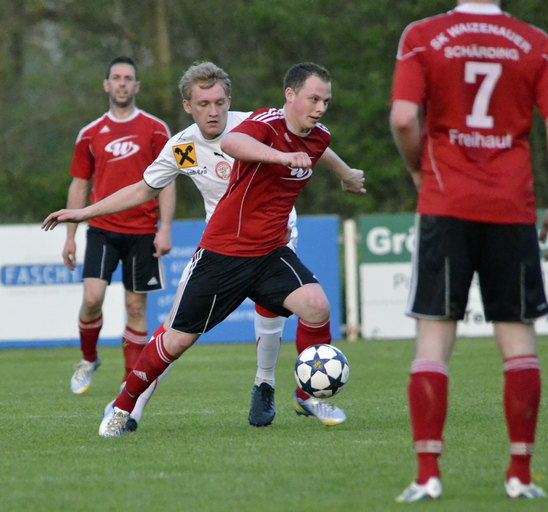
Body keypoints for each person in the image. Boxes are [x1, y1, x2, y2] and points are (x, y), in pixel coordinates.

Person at [43, 62, 365, 435]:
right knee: (176, 338)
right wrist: (83, 213)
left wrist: (346, 175)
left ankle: (295, 391)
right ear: (187, 106)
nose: (213, 112)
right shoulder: (185, 147)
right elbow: (146, 187)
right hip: (222, 250)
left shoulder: (256, 121)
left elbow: (312, 140)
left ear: (229, 101)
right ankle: (124, 405)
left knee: (314, 306)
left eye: (219, 103)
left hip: (273, 245)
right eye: (203, 104)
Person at [390, 0, 548, 502]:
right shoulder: (535, 41)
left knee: (433, 343)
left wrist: (418, 169)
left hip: (445, 202)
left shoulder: (422, 35)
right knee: (518, 343)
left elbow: (405, 118)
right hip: (511, 206)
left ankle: (428, 474)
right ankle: (520, 473)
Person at [63, 55, 175, 396]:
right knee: (93, 298)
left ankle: (130, 385)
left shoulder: (156, 129)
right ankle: (88, 358)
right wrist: (70, 236)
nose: (123, 83)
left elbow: (168, 181)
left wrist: (165, 228)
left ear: (137, 86)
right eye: (117, 77)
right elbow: (80, 185)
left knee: (135, 307)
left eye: (129, 78)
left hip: (142, 232)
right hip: (101, 230)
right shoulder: (90, 133)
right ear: (107, 85)